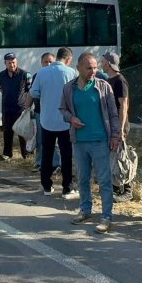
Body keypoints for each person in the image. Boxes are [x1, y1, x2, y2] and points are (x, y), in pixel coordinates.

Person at [60, 52, 121, 234]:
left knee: (104, 180)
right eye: (89, 68)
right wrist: (71, 119)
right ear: (78, 67)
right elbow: (62, 109)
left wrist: (115, 136)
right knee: (83, 179)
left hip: (100, 141)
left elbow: (113, 113)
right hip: (79, 141)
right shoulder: (69, 88)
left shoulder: (103, 87)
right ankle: (86, 211)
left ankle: (106, 216)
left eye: (95, 67)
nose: (93, 71)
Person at [30, 47, 78, 199]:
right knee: (66, 155)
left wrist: (46, 95)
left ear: (56, 57)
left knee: (47, 154)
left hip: (46, 120)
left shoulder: (42, 72)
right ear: (68, 59)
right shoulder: (72, 73)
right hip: (65, 121)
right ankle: (67, 187)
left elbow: (34, 92)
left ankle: (46, 186)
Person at [102, 52, 133, 202]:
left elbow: (124, 104)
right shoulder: (110, 80)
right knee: (113, 158)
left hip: (119, 126)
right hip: (111, 125)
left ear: (108, 63)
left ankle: (127, 190)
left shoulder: (120, 80)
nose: (101, 64)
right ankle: (115, 189)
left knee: (122, 157)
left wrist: (120, 129)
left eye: (103, 61)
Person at [0, 52, 31, 161]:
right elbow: (1, 89)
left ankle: (26, 155)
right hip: (7, 109)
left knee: (22, 133)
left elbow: (29, 91)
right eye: (9, 63)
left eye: (13, 62)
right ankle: (7, 154)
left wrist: (28, 106)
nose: (12, 65)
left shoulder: (25, 74)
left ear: (16, 62)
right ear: (5, 63)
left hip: (20, 109)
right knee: (7, 132)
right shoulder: (1, 75)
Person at [31, 52, 59, 173]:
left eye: (50, 61)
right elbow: (33, 93)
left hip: (55, 112)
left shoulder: (58, 74)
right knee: (40, 139)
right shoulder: (37, 75)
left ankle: (56, 164)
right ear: (41, 63)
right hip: (40, 112)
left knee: (56, 140)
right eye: (45, 62)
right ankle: (39, 162)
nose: (48, 64)